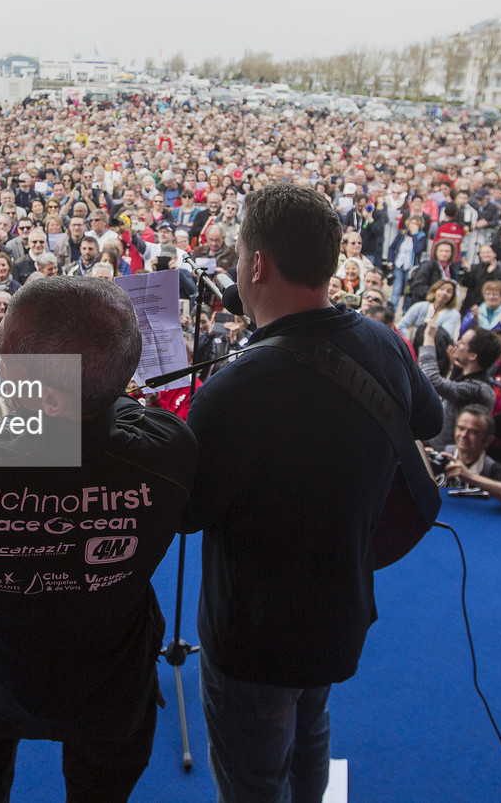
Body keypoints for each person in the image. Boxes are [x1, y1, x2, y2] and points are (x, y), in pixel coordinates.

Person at [180, 184, 442, 803]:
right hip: (340, 610)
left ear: (257, 264)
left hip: (254, 634)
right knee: (309, 729)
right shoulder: (383, 340)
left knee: (253, 777)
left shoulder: (235, 390)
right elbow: (427, 421)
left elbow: (188, 511)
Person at [0, 276, 197, 803]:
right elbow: (117, 405)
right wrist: (32, 359)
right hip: (111, 695)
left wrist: (12, 353)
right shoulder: (167, 458)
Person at [418, 326, 501, 448]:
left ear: (473, 355)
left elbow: (431, 380)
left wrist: (429, 337)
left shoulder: (478, 389)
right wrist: (456, 369)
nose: (457, 344)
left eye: (462, 342)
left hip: (450, 457)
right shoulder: (469, 380)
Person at [439, 404, 501, 510]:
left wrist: (471, 478)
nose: (464, 435)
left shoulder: (490, 468)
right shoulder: (438, 455)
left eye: (473, 432)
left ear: (488, 441)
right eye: (461, 428)